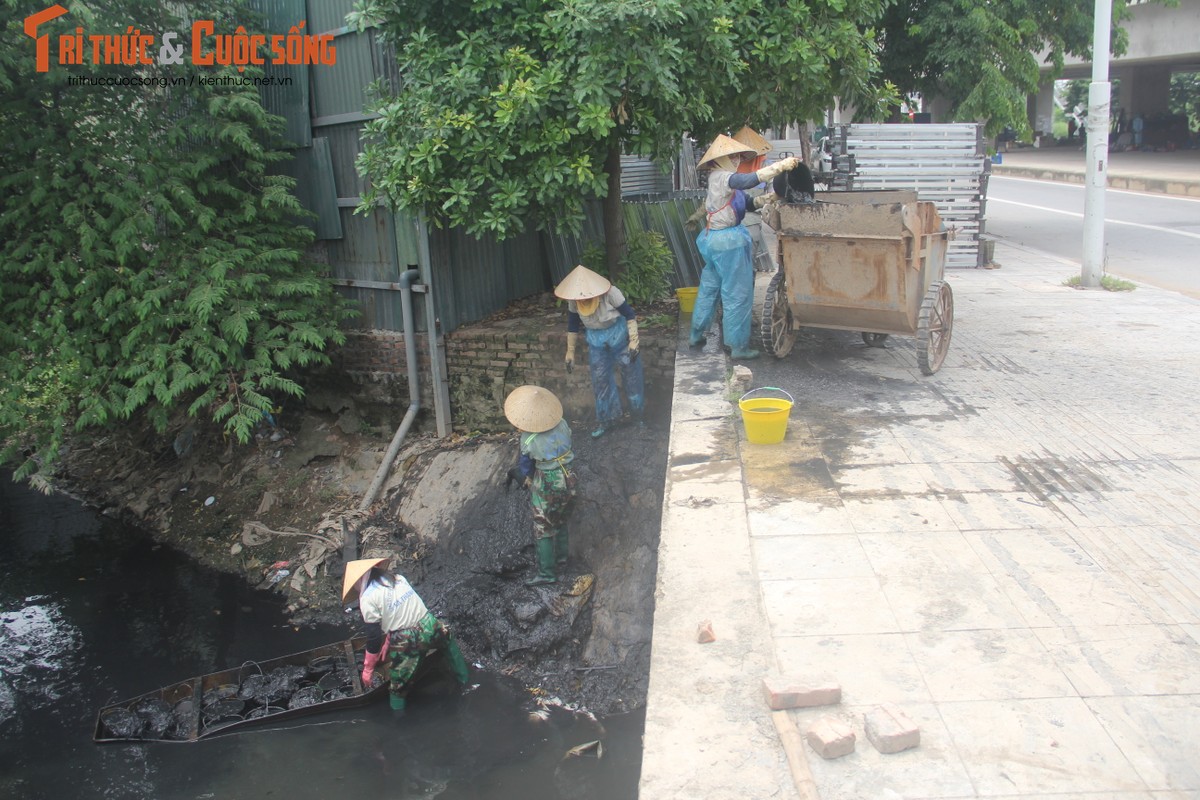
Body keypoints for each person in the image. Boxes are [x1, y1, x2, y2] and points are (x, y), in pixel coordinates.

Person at [690, 133, 802, 359]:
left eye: (737, 157)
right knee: (737, 295)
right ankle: (738, 346)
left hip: (713, 241)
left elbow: (748, 202)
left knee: (709, 289)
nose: (736, 160)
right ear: (719, 159)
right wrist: (781, 166)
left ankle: (696, 333)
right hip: (729, 244)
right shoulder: (723, 176)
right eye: (732, 156)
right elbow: (749, 181)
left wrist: (768, 199)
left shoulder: (722, 179)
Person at [343, 557, 470, 713]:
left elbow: (374, 637)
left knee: (398, 688)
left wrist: (368, 669)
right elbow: (401, 611)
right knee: (448, 643)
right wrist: (389, 640)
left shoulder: (368, 599)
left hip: (408, 640)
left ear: (361, 579)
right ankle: (466, 682)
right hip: (429, 623)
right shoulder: (397, 579)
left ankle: (398, 723)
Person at [555, 264, 644, 439]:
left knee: (631, 376)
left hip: (619, 338)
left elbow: (629, 315)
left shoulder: (611, 293)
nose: (584, 299)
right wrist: (570, 351)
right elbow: (573, 325)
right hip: (596, 342)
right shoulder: (574, 300)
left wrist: (634, 341)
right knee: (600, 381)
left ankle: (637, 418)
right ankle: (607, 421)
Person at [503, 385, 577, 586]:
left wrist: (526, 477)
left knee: (542, 526)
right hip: (569, 475)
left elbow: (526, 467)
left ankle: (546, 573)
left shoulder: (529, 438)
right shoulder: (562, 423)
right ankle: (563, 559)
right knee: (561, 518)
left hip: (548, 480)